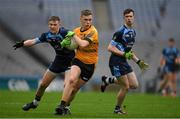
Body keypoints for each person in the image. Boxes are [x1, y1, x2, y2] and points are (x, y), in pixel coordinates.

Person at [13, 16, 75, 111]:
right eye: (51, 24)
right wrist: (22, 44)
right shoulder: (46, 35)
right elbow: (34, 41)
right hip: (58, 61)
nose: (52, 26)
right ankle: (34, 103)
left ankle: (64, 107)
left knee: (67, 84)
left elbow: (77, 41)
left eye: (55, 24)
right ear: (48, 25)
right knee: (42, 84)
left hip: (70, 62)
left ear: (59, 24)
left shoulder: (65, 32)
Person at [100, 8, 149, 114]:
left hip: (123, 61)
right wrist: (124, 54)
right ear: (124, 18)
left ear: (134, 18)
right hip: (116, 61)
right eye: (127, 17)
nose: (129, 18)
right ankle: (117, 109)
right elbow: (110, 48)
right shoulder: (120, 32)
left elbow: (129, 51)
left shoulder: (133, 32)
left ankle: (108, 80)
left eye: (131, 16)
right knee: (125, 86)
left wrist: (138, 61)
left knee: (134, 85)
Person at [54, 9, 98, 115]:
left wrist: (73, 35)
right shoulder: (76, 31)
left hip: (90, 64)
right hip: (78, 60)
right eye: (86, 19)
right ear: (81, 19)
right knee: (72, 80)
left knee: (74, 90)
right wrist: (65, 43)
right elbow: (71, 45)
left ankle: (67, 106)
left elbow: (82, 44)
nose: (88, 22)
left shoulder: (93, 31)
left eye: (90, 20)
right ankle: (61, 105)